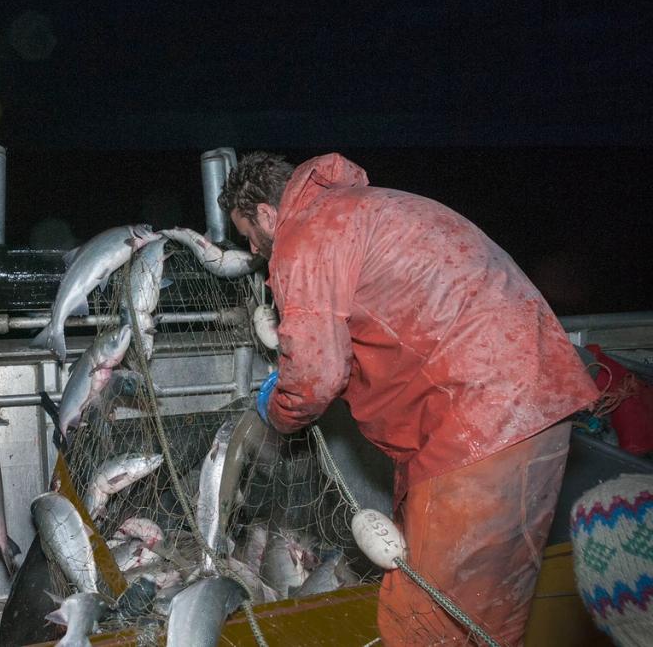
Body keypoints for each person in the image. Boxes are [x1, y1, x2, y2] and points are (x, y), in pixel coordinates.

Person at [220, 151, 599, 645]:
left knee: (424, 623)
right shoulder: (369, 207)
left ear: (269, 215)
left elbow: (315, 379)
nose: (253, 250)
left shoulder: (307, 234)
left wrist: (276, 409)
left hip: (478, 427)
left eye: (248, 234)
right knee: (488, 616)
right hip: (538, 408)